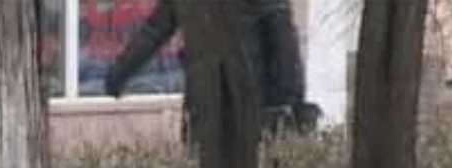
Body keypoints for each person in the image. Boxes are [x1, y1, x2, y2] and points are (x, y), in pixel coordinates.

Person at [104, 0, 319, 143]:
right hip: (251, 109)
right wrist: (288, 104)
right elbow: (285, 50)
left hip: (206, 106)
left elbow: (154, 31)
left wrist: (118, 76)